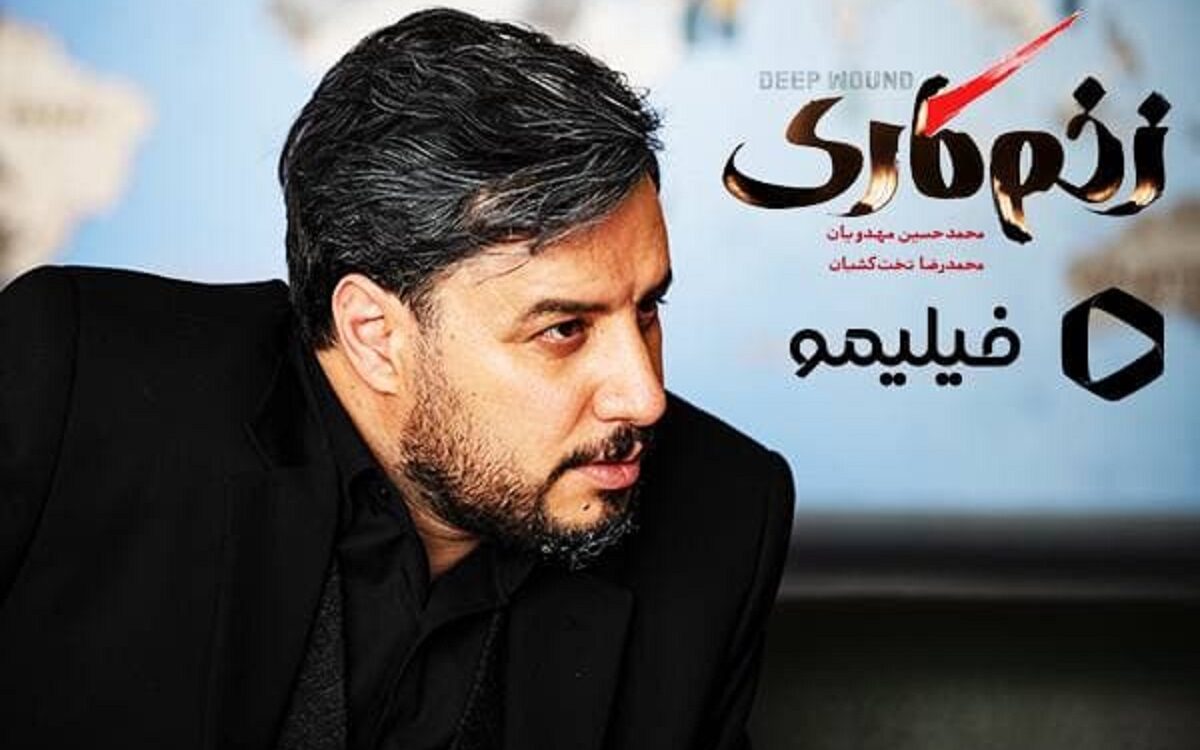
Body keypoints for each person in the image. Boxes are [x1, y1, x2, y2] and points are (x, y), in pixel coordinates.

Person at [0, 8, 793, 750]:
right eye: (564, 330)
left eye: (647, 308)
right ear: (374, 334)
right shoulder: (75, 389)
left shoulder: (721, 519)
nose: (644, 396)